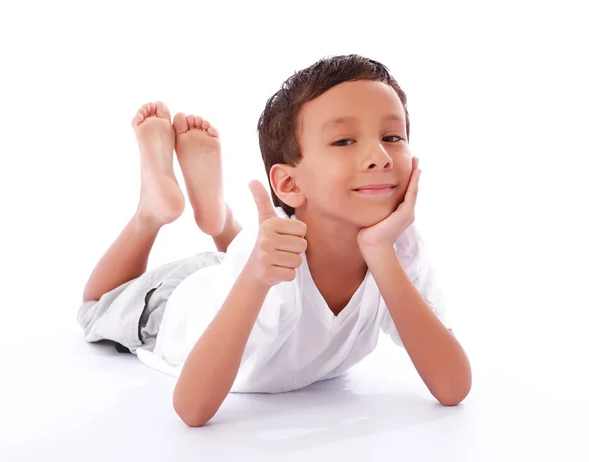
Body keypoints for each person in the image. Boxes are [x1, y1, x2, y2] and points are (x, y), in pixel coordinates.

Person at [78, 54, 472, 427]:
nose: (380, 157)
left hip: (242, 266)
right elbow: (191, 410)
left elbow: (453, 386)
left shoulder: (401, 246)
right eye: (344, 141)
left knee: (261, 258)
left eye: (391, 136)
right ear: (288, 183)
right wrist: (253, 277)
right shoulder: (264, 265)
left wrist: (380, 252)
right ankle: (152, 213)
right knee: (96, 307)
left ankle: (221, 220)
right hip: (182, 301)